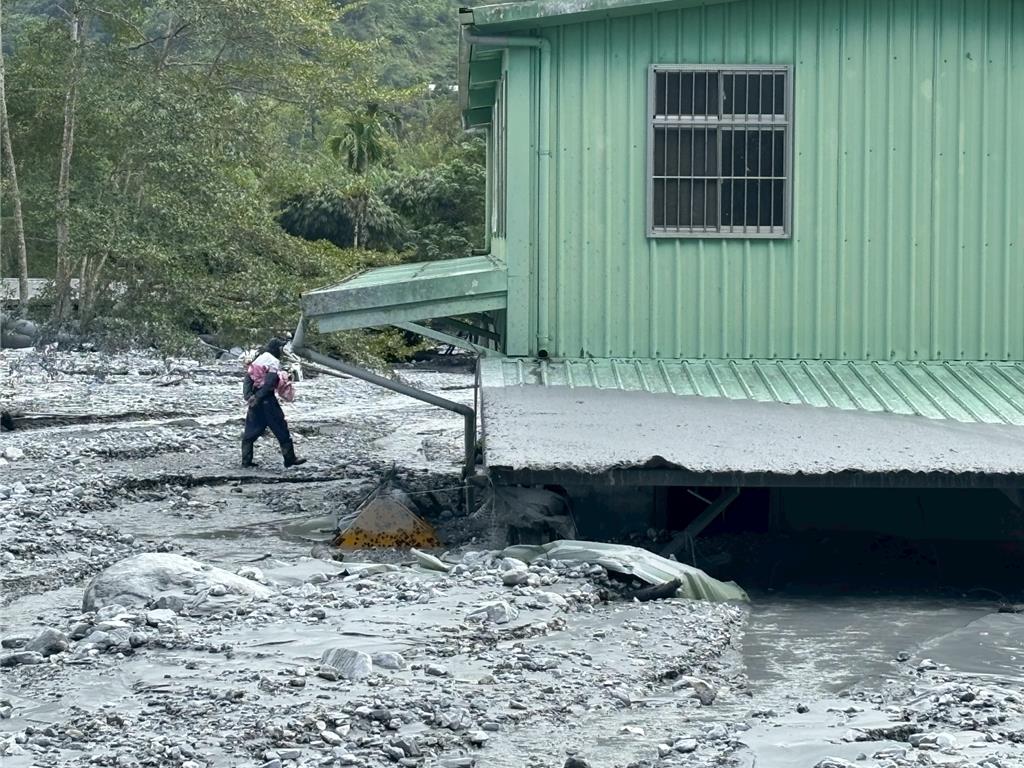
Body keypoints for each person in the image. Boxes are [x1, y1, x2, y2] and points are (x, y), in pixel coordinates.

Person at [241, 338, 306, 468]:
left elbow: (248, 377)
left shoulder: (259, 358)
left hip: (255, 398)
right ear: (277, 349)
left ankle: (246, 461)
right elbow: (270, 381)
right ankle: (289, 459)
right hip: (267, 399)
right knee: (280, 427)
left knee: (251, 430)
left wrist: (249, 396)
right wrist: (259, 397)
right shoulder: (273, 361)